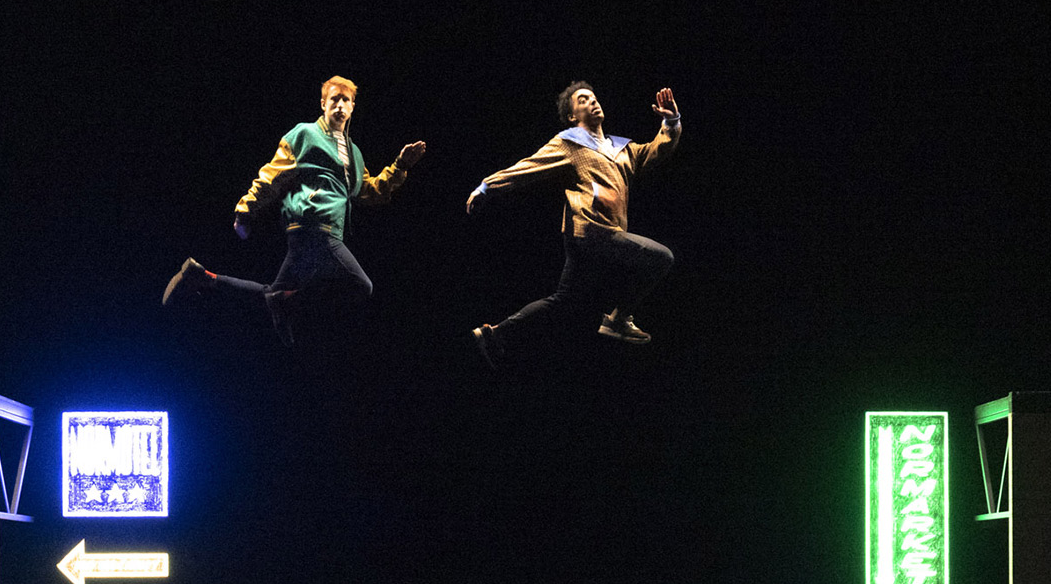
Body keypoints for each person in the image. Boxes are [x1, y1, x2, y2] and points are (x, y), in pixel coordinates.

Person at [163, 76, 426, 343]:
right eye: (334, 99)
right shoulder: (305, 134)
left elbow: (368, 191)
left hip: (321, 231)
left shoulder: (354, 153)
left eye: (345, 100)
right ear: (323, 104)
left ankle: (202, 277)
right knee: (360, 286)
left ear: (352, 107)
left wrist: (400, 166)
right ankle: (284, 303)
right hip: (315, 226)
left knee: (272, 294)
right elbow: (273, 174)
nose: (340, 105)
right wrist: (246, 209)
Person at [467, 83, 680, 367]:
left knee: (564, 300)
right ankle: (618, 319)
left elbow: (655, 151)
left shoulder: (621, 149)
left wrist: (671, 122)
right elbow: (529, 166)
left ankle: (494, 333)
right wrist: (486, 186)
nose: (592, 101)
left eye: (594, 97)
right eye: (583, 100)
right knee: (661, 257)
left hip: (596, 237)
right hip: (590, 231)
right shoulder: (570, 143)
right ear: (572, 116)